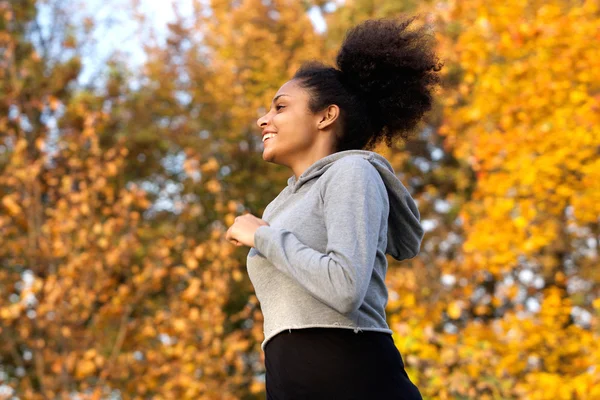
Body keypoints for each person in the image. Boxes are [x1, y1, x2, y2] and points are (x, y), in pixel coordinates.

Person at [225, 14, 443, 400]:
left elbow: (344, 288)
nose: (264, 119)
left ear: (326, 115)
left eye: (280, 107)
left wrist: (263, 236)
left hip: (356, 379)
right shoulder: (280, 205)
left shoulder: (352, 172)